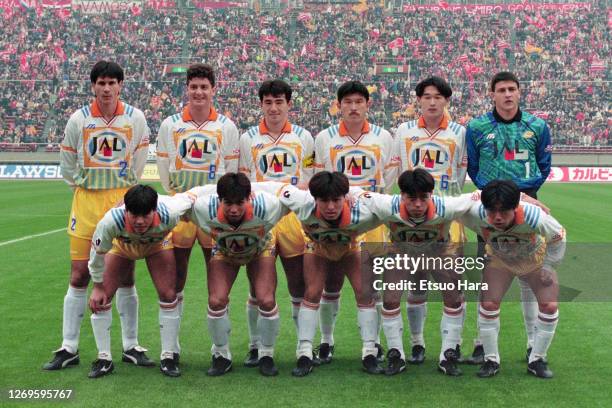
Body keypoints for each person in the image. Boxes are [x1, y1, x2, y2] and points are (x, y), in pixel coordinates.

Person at [46, 60, 151, 371]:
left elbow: (139, 157)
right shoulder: (79, 119)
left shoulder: (135, 118)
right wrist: (82, 184)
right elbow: (66, 162)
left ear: (120, 85)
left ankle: (131, 346)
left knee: (125, 275)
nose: (106, 88)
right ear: (93, 86)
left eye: (112, 83)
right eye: (101, 83)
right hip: (87, 203)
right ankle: (69, 347)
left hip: (121, 203)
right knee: (79, 274)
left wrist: (125, 191)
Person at [255, 172, 384, 377]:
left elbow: (392, 204)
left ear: (345, 197)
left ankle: (370, 352)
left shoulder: (363, 210)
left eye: (336, 200)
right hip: (317, 247)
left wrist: (355, 193)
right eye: (324, 200)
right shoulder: (301, 202)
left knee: (364, 292)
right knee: (312, 292)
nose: (331, 207)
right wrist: (247, 190)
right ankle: (304, 353)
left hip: (350, 247)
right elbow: (275, 188)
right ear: (313, 199)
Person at [466, 71, 553, 364]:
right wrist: (492, 194)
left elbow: (543, 163)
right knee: (486, 272)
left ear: (519, 92)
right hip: (491, 208)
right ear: (491, 93)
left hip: (527, 204)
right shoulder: (477, 127)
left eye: (511, 89)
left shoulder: (537, 126)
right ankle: (481, 342)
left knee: (530, 274)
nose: (507, 94)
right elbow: (474, 167)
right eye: (501, 89)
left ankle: (532, 341)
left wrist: (525, 196)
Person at [156, 63, 240, 361]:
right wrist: (176, 194)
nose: (199, 92)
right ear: (187, 89)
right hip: (180, 209)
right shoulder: (170, 124)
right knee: (175, 280)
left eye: (204, 87)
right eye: (194, 86)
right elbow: (164, 166)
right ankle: (171, 349)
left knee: (216, 281)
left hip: (212, 211)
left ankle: (221, 350)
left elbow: (231, 169)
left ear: (213, 90)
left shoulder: (226, 126)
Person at [313, 81, 398, 363]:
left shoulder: (383, 137)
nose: (353, 107)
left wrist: (370, 203)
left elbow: (389, 178)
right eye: (347, 102)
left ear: (367, 105)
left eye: (358, 102)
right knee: (332, 285)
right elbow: (320, 181)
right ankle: (326, 341)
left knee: (368, 288)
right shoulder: (325, 138)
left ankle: (370, 346)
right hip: (335, 222)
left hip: (371, 222)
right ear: (339, 106)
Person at [361, 169, 477, 376]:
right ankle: (396, 354)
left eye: (423, 198)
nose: (417, 204)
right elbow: (353, 192)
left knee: (453, 298)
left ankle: (447, 354)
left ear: (431, 195)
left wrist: (527, 199)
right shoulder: (386, 205)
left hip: (439, 250)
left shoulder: (447, 207)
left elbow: (481, 195)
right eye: (411, 198)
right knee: (390, 300)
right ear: (401, 195)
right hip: (401, 250)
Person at [87, 184, 209, 378]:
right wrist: (97, 286)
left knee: (169, 294)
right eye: (134, 215)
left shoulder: (171, 210)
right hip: (123, 248)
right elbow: (97, 255)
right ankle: (104, 358)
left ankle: (168, 356)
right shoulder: (111, 221)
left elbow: (195, 194)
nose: (140, 221)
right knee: (101, 299)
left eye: (145, 215)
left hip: (157, 246)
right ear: (125, 210)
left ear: (155, 209)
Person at [238, 79, 314, 367]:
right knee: (257, 288)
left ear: (288, 104)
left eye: (279, 102)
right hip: (261, 219)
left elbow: (308, 178)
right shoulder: (248, 139)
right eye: (268, 102)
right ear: (261, 105)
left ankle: (302, 347)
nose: (273, 107)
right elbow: (245, 180)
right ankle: (256, 346)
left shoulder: (303, 137)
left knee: (298, 284)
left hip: (293, 219)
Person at [394, 76, 468, 365]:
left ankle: (452, 346)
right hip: (412, 217)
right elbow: (400, 169)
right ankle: (417, 342)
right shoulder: (404, 131)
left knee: (452, 285)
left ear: (447, 100)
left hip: (447, 216)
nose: (433, 102)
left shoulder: (459, 132)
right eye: (427, 96)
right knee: (416, 283)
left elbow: (461, 172)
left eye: (438, 97)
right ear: (419, 100)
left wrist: (445, 202)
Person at [460, 180, 565, 378]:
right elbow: (446, 204)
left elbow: (559, 236)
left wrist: (550, 266)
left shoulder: (534, 216)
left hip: (534, 258)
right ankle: (491, 359)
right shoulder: (474, 211)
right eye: (492, 211)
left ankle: (537, 358)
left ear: (515, 206)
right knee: (489, 304)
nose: (497, 217)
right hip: (500, 259)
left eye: (504, 212)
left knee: (549, 306)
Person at [190, 173, 286, 377]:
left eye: (239, 203)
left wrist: (352, 194)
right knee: (216, 300)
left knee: (266, 300)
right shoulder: (202, 209)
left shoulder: (268, 205)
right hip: (225, 251)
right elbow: (172, 205)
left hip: (260, 248)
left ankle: (266, 354)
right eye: (228, 203)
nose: (234, 209)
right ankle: (221, 355)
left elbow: (298, 197)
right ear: (219, 200)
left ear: (249, 198)